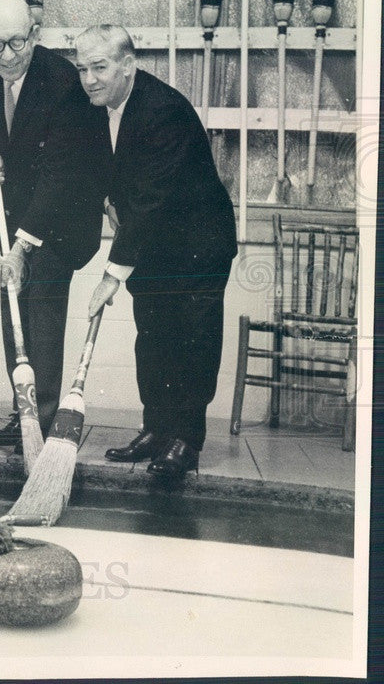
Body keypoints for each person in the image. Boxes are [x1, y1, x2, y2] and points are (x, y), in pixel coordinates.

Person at [76, 24, 237, 478]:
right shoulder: (103, 105)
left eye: (100, 67)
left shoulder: (161, 109)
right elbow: (107, 162)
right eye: (83, 68)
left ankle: (185, 441)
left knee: (192, 340)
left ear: (127, 66)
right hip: (153, 244)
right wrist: (110, 198)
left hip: (197, 246)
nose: (89, 78)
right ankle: (156, 430)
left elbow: (153, 196)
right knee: (154, 339)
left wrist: (112, 274)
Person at [0, 0, 111, 452]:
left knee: (42, 310)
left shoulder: (63, 82)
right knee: (14, 312)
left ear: (34, 36)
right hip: (14, 209)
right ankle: (23, 413)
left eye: (16, 43)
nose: (6, 56)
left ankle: (44, 422)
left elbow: (61, 172)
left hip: (62, 215)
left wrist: (22, 244)